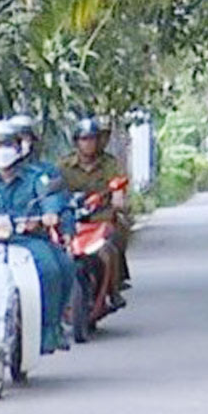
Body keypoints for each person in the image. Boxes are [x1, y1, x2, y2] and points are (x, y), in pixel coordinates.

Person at [0, 120, 76, 355]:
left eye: (7, 144)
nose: (1, 150)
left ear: (19, 147)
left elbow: (50, 199)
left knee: (55, 269)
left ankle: (50, 329)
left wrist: (49, 214)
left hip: (28, 241)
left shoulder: (36, 176)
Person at [57, 117, 131, 297]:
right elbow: (53, 188)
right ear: (76, 142)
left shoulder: (109, 163)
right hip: (72, 218)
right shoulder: (63, 165)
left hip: (101, 217)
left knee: (111, 245)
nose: (89, 144)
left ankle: (113, 289)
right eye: (85, 139)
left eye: (93, 139)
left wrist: (117, 198)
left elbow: (118, 184)